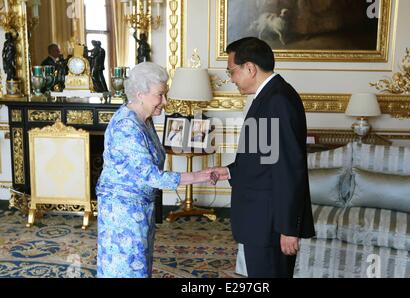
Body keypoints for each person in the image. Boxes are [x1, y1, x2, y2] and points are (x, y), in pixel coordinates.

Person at [96, 62, 217, 278]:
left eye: (166, 94)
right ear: (140, 94)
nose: (165, 101)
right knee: (125, 270)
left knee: (139, 267)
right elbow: (152, 176)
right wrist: (199, 176)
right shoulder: (126, 126)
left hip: (139, 208)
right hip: (122, 213)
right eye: (160, 95)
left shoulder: (144, 120)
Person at [211, 37, 315, 277]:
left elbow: (288, 168)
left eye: (232, 72)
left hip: (270, 223)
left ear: (250, 68)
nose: (232, 79)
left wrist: (289, 228)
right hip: (260, 220)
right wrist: (230, 171)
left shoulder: (278, 100)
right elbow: (263, 157)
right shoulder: (267, 97)